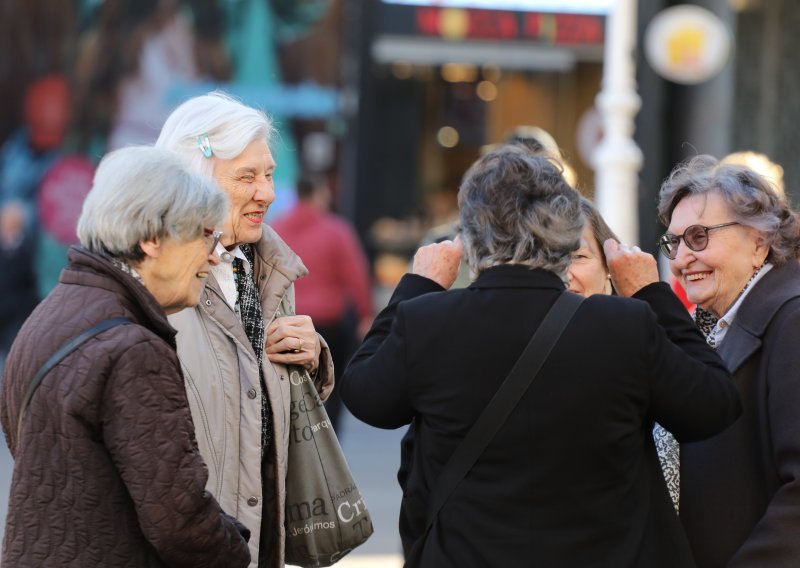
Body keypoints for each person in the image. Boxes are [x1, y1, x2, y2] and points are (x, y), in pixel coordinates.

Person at [340, 145, 741, 566]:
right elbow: (714, 405)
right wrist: (652, 293)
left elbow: (366, 396)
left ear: (474, 233)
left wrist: (416, 285)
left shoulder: (428, 321)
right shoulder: (623, 326)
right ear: (566, 232)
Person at [0, 146, 251, 567]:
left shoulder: (50, 314)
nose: (212, 255)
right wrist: (237, 551)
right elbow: (179, 519)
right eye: (203, 234)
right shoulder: (134, 349)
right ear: (151, 239)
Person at [155, 92, 334, 568]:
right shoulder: (152, 280)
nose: (268, 193)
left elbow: (252, 401)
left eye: (270, 173)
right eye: (247, 176)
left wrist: (310, 358)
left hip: (252, 543)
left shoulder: (263, 266)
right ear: (194, 180)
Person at [657, 154, 800, 567]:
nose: (681, 258)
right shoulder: (711, 324)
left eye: (699, 237)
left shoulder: (791, 320)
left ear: (760, 241)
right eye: (674, 242)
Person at [568, 197, 681, 511]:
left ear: (609, 266)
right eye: (550, 258)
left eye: (578, 256)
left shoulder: (643, 343)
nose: (564, 273)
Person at [271, 172, 373, 431]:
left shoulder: (275, 229)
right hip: (329, 323)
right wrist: (366, 314)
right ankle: (326, 442)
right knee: (330, 390)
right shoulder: (336, 230)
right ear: (319, 195)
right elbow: (356, 275)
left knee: (287, 391)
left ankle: (292, 444)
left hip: (285, 322)